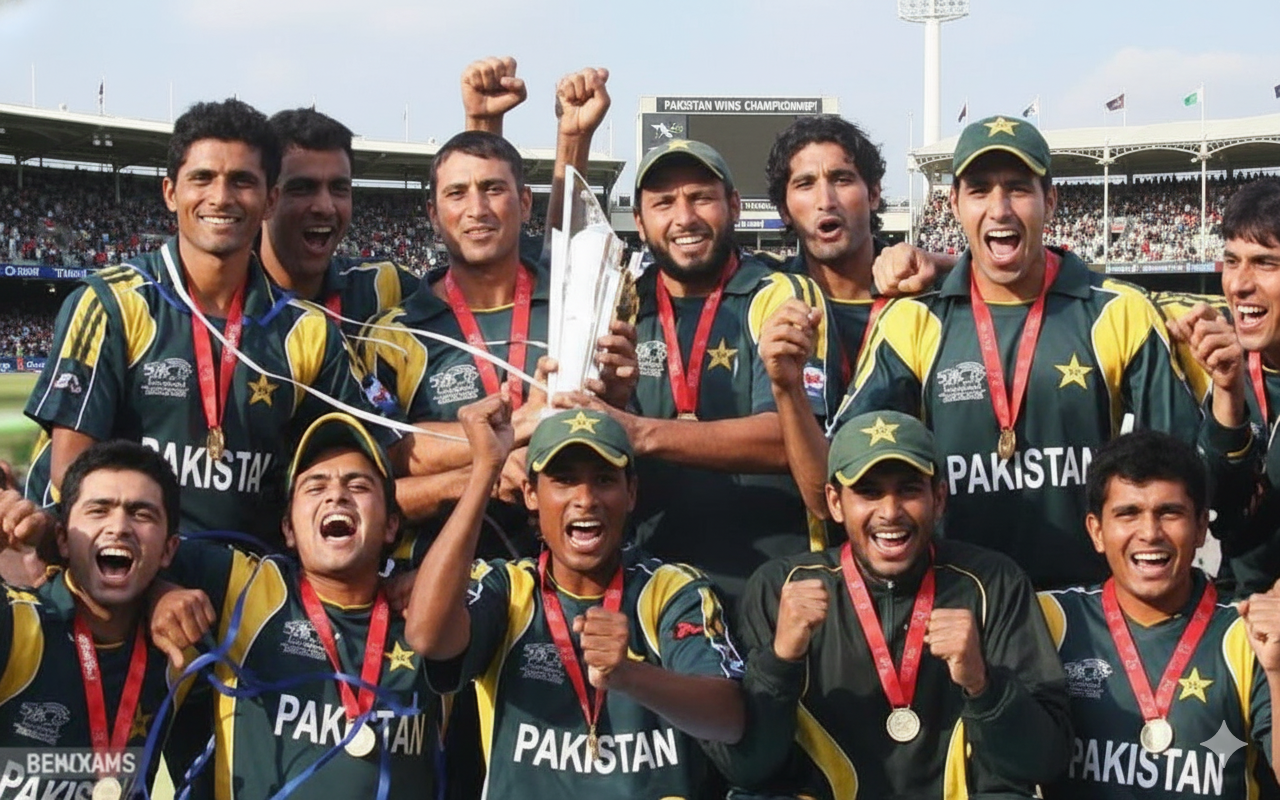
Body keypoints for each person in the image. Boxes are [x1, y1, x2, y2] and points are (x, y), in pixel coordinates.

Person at [777, 114, 1201, 590]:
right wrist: (788, 389)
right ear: (954, 203)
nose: (999, 209)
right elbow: (828, 490)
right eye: (979, 189)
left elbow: (1186, 474)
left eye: (1018, 188)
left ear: (1051, 199)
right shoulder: (913, 321)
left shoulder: (1120, 313)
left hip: (1092, 611)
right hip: (958, 609)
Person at [22, 98, 400, 549]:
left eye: (242, 181)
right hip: (130, 577)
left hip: (254, 583)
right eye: (202, 178)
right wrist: (155, 581)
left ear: (269, 199)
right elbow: (72, 478)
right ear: (169, 192)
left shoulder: (306, 328)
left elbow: (384, 452)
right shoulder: (111, 303)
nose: (221, 197)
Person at [405, 401, 746, 799]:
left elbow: (730, 719)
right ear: (531, 493)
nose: (585, 498)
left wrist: (629, 676)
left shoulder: (672, 590)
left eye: (604, 479)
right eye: (564, 480)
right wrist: (485, 471)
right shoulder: (510, 589)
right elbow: (427, 636)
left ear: (631, 492)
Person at [358, 70, 636, 556]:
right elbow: (391, 461)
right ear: (432, 213)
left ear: (525, 202)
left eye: (493, 189)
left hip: (571, 583)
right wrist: (517, 432)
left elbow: (613, 427)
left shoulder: (577, 308)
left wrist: (616, 396)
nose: (476, 209)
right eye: (456, 194)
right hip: (439, 585)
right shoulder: (396, 332)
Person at [725, 409, 1071, 798]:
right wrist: (781, 660)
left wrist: (982, 683)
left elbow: (1044, 761)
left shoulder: (994, 581)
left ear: (938, 498)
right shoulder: (780, 588)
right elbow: (748, 767)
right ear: (835, 502)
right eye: (868, 492)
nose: (890, 512)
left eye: (908, 489)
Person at [149, 412, 443, 799]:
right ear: (287, 528)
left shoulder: (432, 608)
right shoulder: (244, 584)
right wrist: (159, 591)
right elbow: (123, 560)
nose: (336, 495)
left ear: (391, 525)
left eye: (358, 485)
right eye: (315, 486)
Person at [1038, 430, 1280, 798]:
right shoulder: (1051, 621)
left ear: (1200, 528)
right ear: (1097, 530)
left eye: (1170, 512)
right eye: (1128, 513)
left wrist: (1277, 672)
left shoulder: (1247, 634)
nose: (1150, 533)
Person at [0, 441, 189, 797]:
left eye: (141, 513)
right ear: (63, 540)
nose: (119, 527)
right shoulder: (17, 624)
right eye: (99, 510)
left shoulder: (183, 649)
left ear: (168, 550)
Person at [764, 114, 955, 393]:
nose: (825, 201)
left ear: (874, 194)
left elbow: (1022, 269)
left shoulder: (928, 294)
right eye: (805, 184)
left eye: (841, 179)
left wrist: (941, 262)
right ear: (784, 210)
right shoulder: (764, 292)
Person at [1171, 177, 1280, 598]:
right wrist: (1229, 393)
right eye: (1232, 261)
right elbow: (1221, 514)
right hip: (1241, 618)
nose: (1238, 284)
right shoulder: (1225, 358)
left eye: (1265, 263)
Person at [258, 108, 419, 337]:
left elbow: (469, 307)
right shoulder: (225, 298)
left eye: (339, 189)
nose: (325, 207)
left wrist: (480, 124)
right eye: (302, 188)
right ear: (265, 198)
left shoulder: (382, 285)